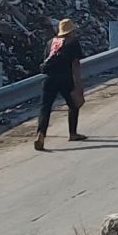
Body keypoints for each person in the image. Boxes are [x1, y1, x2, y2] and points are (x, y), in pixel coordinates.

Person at [34, 18, 87, 151]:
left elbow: (46, 59)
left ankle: (41, 133)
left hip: (49, 79)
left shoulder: (50, 42)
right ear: (71, 31)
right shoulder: (72, 42)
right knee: (73, 104)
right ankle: (73, 133)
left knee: (45, 108)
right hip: (65, 78)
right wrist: (79, 84)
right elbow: (75, 64)